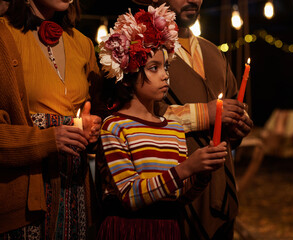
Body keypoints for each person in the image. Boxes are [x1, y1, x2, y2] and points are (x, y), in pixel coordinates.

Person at [95, 4, 228, 239]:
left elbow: (178, 196)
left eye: (165, 67)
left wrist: (202, 173)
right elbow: (130, 195)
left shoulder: (173, 128)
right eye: (153, 68)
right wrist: (187, 167)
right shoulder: (115, 127)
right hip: (129, 230)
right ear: (127, 77)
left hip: (167, 229)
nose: (165, 75)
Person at [130, 0, 254, 239]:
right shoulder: (142, 50)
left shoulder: (214, 53)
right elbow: (135, 114)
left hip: (220, 189)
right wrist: (205, 114)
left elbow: (231, 110)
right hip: (170, 190)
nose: (194, 0)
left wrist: (238, 126)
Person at [0, 0, 101, 238]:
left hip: (74, 194)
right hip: (24, 199)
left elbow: (97, 108)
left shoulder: (82, 43)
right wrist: (45, 139)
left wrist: (93, 128)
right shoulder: (4, 37)